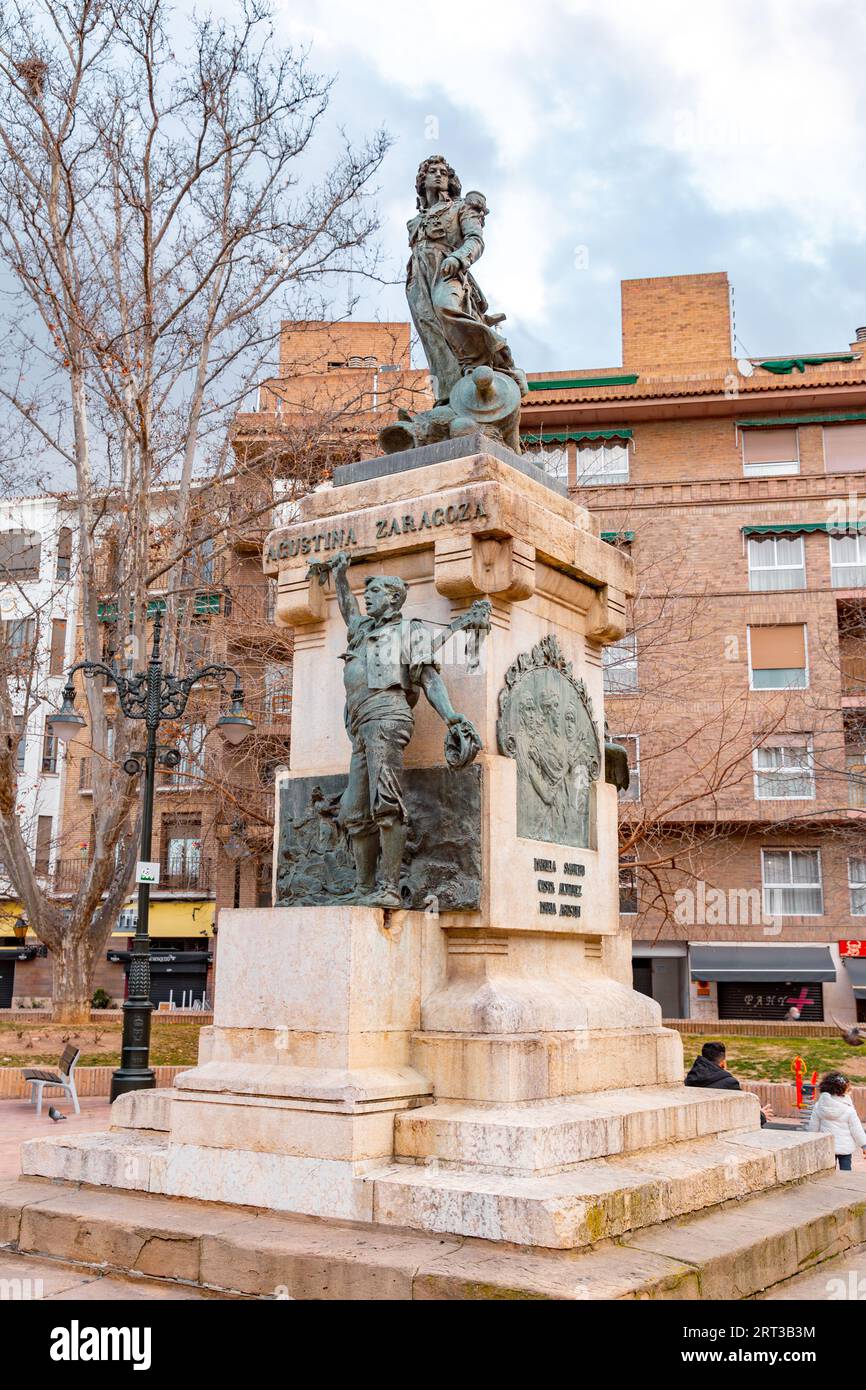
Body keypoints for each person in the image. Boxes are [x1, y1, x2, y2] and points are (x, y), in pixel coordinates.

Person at [685, 1041, 773, 1125]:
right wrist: (761, 1115)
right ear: (723, 1063)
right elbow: (742, 1113)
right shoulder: (729, 1083)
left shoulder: (690, 1079)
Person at [808, 1071, 866, 1171]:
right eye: (848, 1089)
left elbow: (813, 1127)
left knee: (828, 1171)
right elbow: (856, 1129)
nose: (850, 1090)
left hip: (826, 1147)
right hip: (845, 1147)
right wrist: (864, 1145)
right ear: (841, 1090)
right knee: (846, 1171)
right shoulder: (848, 1109)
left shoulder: (819, 1106)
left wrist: (809, 1142)